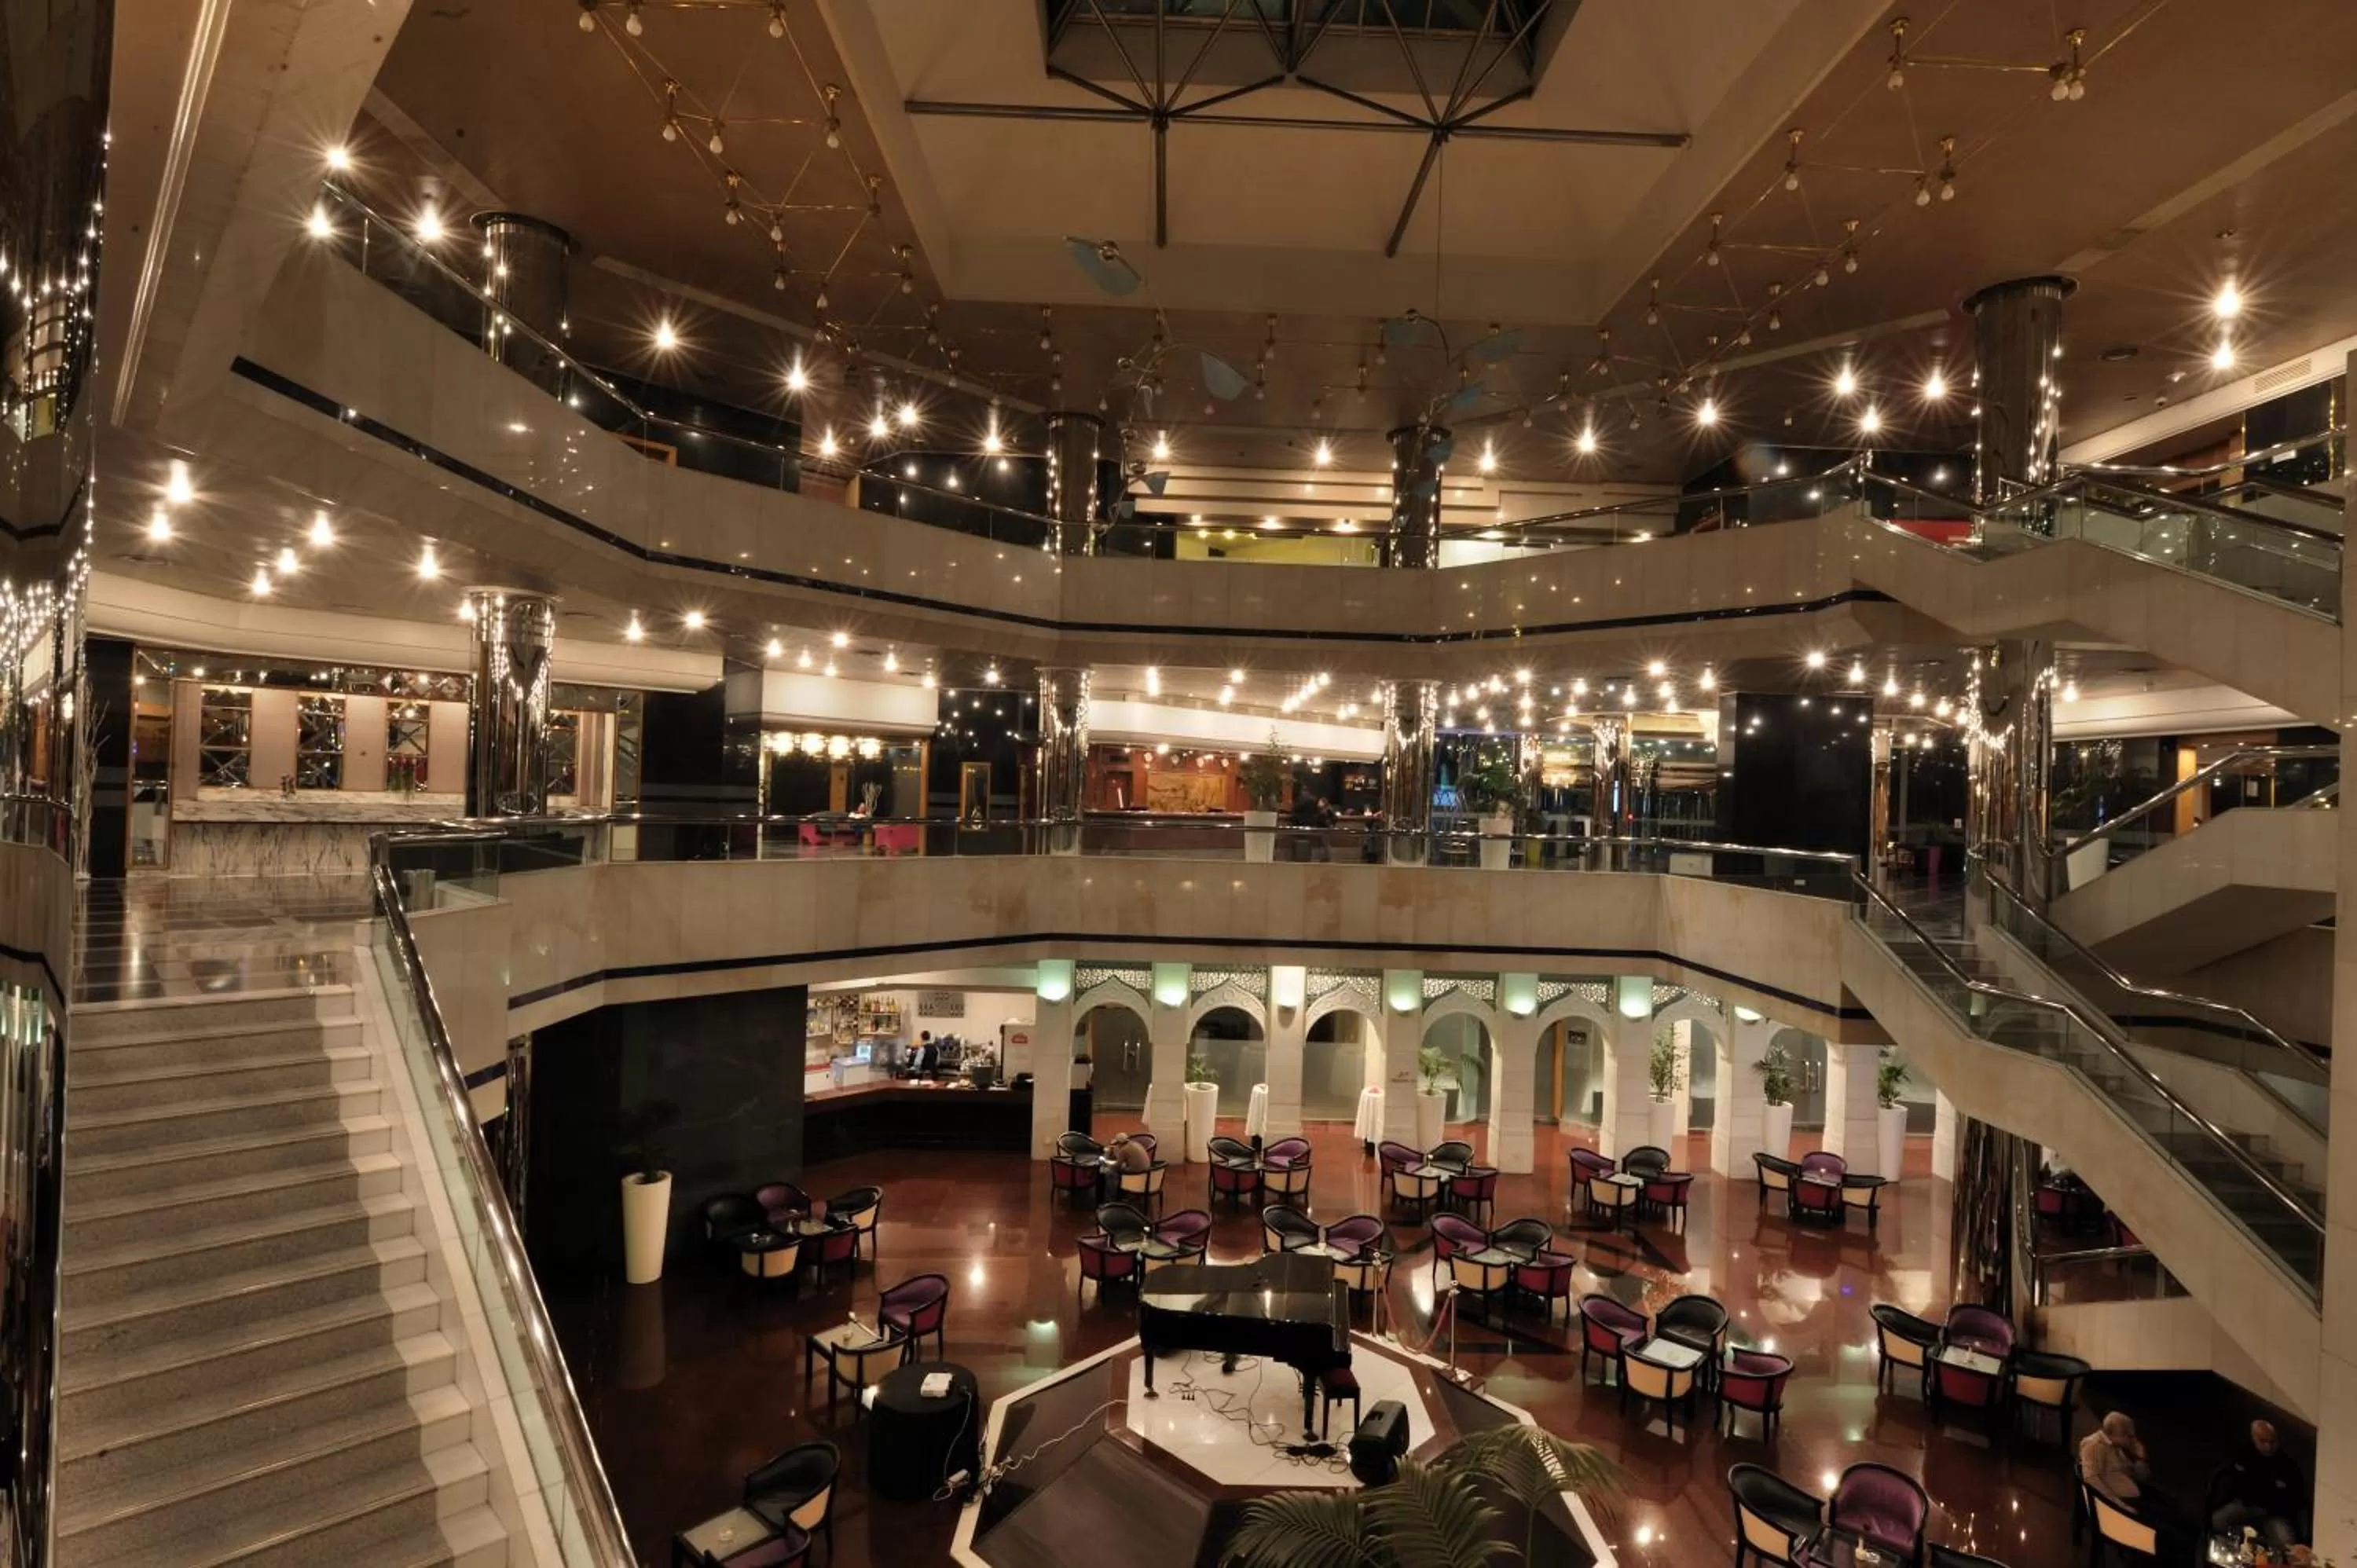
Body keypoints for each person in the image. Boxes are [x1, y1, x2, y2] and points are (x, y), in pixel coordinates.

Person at [2081, 1413, 2194, 1566]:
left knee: (2178, 1515)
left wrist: (2141, 1457)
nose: (2133, 1439)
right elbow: (2091, 1480)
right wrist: (2121, 1506)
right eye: (2130, 1436)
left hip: (2135, 1494)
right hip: (2123, 1502)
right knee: (2170, 1533)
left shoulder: (2117, 1448)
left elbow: (2142, 1476)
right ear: (2117, 1435)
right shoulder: (2094, 1445)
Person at [2211, 1420, 2304, 1553]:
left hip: (2274, 1514)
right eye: (2263, 1441)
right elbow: (2236, 1483)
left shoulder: (2287, 1465)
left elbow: (2294, 1497)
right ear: (2254, 1438)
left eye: (2272, 1442)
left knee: (2288, 1545)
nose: (2268, 1447)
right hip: (2247, 1505)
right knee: (2217, 1521)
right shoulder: (2243, 1455)